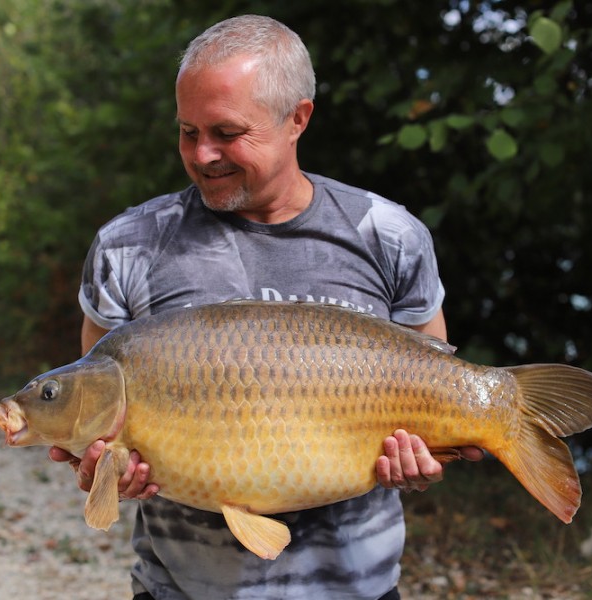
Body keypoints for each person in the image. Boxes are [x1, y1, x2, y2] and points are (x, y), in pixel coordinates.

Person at [49, 14, 481, 600]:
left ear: (297, 118)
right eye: (186, 131)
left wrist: (427, 459)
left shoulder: (388, 235)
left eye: (226, 132)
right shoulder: (129, 245)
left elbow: (433, 387)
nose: (202, 155)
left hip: (358, 588)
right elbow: (101, 420)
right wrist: (107, 471)